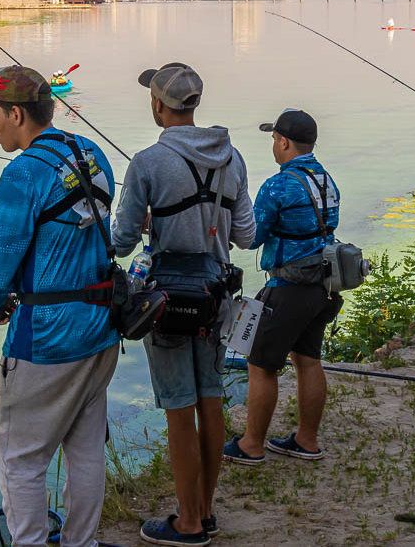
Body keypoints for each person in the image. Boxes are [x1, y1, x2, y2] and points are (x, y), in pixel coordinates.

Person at [0, 65, 121, 547]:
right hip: (101, 328)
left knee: (21, 460)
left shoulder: (22, 174)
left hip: (47, 339)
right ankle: (82, 542)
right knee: (84, 450)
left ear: (16, 113)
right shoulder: (91, 154)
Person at [112, 62, 255, 546]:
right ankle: (206, 511)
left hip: (169, 300)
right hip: (217, 297)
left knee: (179, 408)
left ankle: (188, 523)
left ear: (158, 104)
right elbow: (246, 234)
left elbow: (122, 240)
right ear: (193, 104)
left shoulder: (148, 162)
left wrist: (158, 220)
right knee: (210, 400)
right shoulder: (232, 158)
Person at [222, 109, 343, 466]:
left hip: (288, 286)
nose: (274, 145)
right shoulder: (326, 180)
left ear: (285, 142)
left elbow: (252, 236)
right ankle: (306, 440)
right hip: (322, 284)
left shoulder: (278, 185)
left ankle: (252, 445)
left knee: (261, 364)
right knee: (308, 360)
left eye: (274, 139)